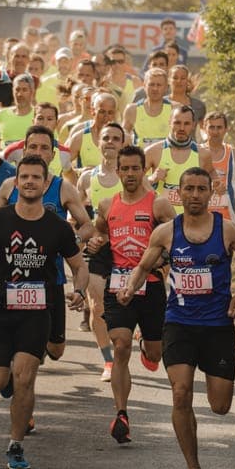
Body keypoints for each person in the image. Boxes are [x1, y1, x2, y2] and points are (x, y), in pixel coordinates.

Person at [117, 166, 235, 469]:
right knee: (180, 393)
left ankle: (197, 455)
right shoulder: (166, 232)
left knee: (219, 406)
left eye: (201, 189)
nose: (195, 195)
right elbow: (142, 267)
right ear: (178, 194)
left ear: (210, 193)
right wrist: (129, 288)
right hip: (179, 323)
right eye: (189, 189)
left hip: (218, 327)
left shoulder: (226, 230)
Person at [0, 156, 88, 469]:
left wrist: (80, 291)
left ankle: (16, 444)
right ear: (16, 183)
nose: (29, 182)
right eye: (24, 177)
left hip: (36, 313)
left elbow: (79, 266)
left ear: (46, 184)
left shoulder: (57, 226)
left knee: (26, 377)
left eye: (36, 178)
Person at [91, 144, 176, 441]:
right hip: (118, 287)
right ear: (117, 172)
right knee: (121, 344)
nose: (129, 173)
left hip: (151, 288)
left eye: (135, 168)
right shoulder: (107, 205)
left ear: (144, 170)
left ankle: (147, 347)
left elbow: (175, 241)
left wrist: (161, 263)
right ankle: (121, 414)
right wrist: (96, 242)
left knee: (155, 352)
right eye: (124, 168)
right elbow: (100, 231)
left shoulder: (159, 205)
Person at [0, 126, 95, 364]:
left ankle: (32, 350)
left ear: (52, 154)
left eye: (44, 148)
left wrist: (71, 243)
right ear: (24, 149)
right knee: (20, 345)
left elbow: (87, 226)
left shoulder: (63, 187)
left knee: (56, 350)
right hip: (12, 278)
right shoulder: (10, 186)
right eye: (33, 147)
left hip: (50, 278)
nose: (38, 152)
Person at [76, 122, 127, 380]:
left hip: (126, 249)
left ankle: (124, 348)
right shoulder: (86, 178)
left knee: (124, 306)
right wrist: (86, 238)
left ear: (123, 144)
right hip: (96, 248)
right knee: (96, 307)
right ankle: (108, 362)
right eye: (106, 137)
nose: (110, 142)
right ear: (98, 142)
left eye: (115, 138)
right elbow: (78, 217)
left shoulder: (130, 176)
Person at [145, 105, 212, 214]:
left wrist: (218, 184)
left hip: (191, 220)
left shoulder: (204, 154)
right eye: (177, 123)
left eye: (186, 124)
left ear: (193, 125)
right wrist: (152, 179)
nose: (181, 128)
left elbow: (212, 180)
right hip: (160, 220)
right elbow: (134, 184)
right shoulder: (152, 151)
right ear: (170, 122)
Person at [67, 91, 118, 171]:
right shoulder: (79, 138)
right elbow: (62, 165)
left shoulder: (124, 139)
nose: (106, 117)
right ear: (93, 111)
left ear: (115, 113)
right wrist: (81, 171)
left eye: (110, 113)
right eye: (102, 112)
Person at [124, 68, 172, 148]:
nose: (155, 88)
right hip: (140, 158)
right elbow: (123, 137)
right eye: (151, 84)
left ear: (166, 87)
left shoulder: (175, 109)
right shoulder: (132, 110)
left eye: (159, 85)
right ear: (144, 85)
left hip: (166, 159)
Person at [0, 73, 35, 144]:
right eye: (17, 90)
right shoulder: (1, 114)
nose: (20, 94)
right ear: (13, 91)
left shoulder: (39, 115)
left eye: (24, 90)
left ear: (32, 92)